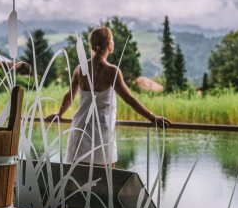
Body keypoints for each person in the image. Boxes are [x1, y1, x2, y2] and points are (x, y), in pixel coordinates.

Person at [46, 27, 171, 167]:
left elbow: (69, 96)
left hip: (79, 131)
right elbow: (129, 99)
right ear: (109, 45)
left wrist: (59, 114)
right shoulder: (112, 72)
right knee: (106, 182)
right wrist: (152, 117)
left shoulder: (80, 69)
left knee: (76, 182)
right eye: (112, 39)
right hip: (102, 134)